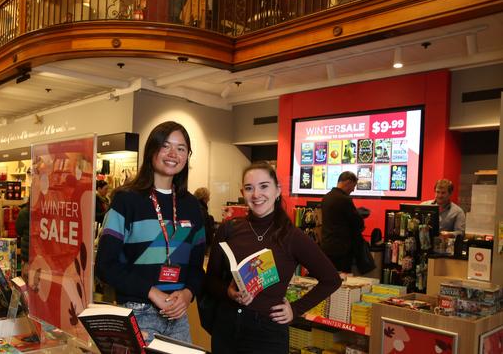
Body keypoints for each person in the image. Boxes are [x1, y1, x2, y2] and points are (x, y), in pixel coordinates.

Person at [205, 162, 341, 353]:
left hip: (267, 333)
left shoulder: (291, 236)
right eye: (249, 188)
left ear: (277, 190)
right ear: (242, 192)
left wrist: (295, 309)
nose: (256, 194)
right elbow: (210, 281)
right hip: (227, 328)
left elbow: (331, 279)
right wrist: (227, 292)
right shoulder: (229, 229)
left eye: (264, 186)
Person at [95, 121, 205, 343]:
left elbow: (196, 268)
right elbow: (105, 266)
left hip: (178, 317)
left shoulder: (192, 206)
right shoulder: (126, 200)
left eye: (181, 148)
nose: (173, 154)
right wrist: (152, 292)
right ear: (152, 150)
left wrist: (187, 293)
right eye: (165, 146)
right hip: (138, 313)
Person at [320, 171, 365, 273]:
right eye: (353, 186)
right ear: (348, 182)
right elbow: (357, 223)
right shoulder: (344, 199)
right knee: (342, 279)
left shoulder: (326, 197)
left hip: (326, 245)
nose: (353, 190)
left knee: (328, 275)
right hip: (342, 249)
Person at [15, 202, 30, 280]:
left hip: (27, 254)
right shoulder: (47, 212)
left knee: (26, 283)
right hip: (42, 256)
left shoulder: (24, 212)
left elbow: (18, 231)